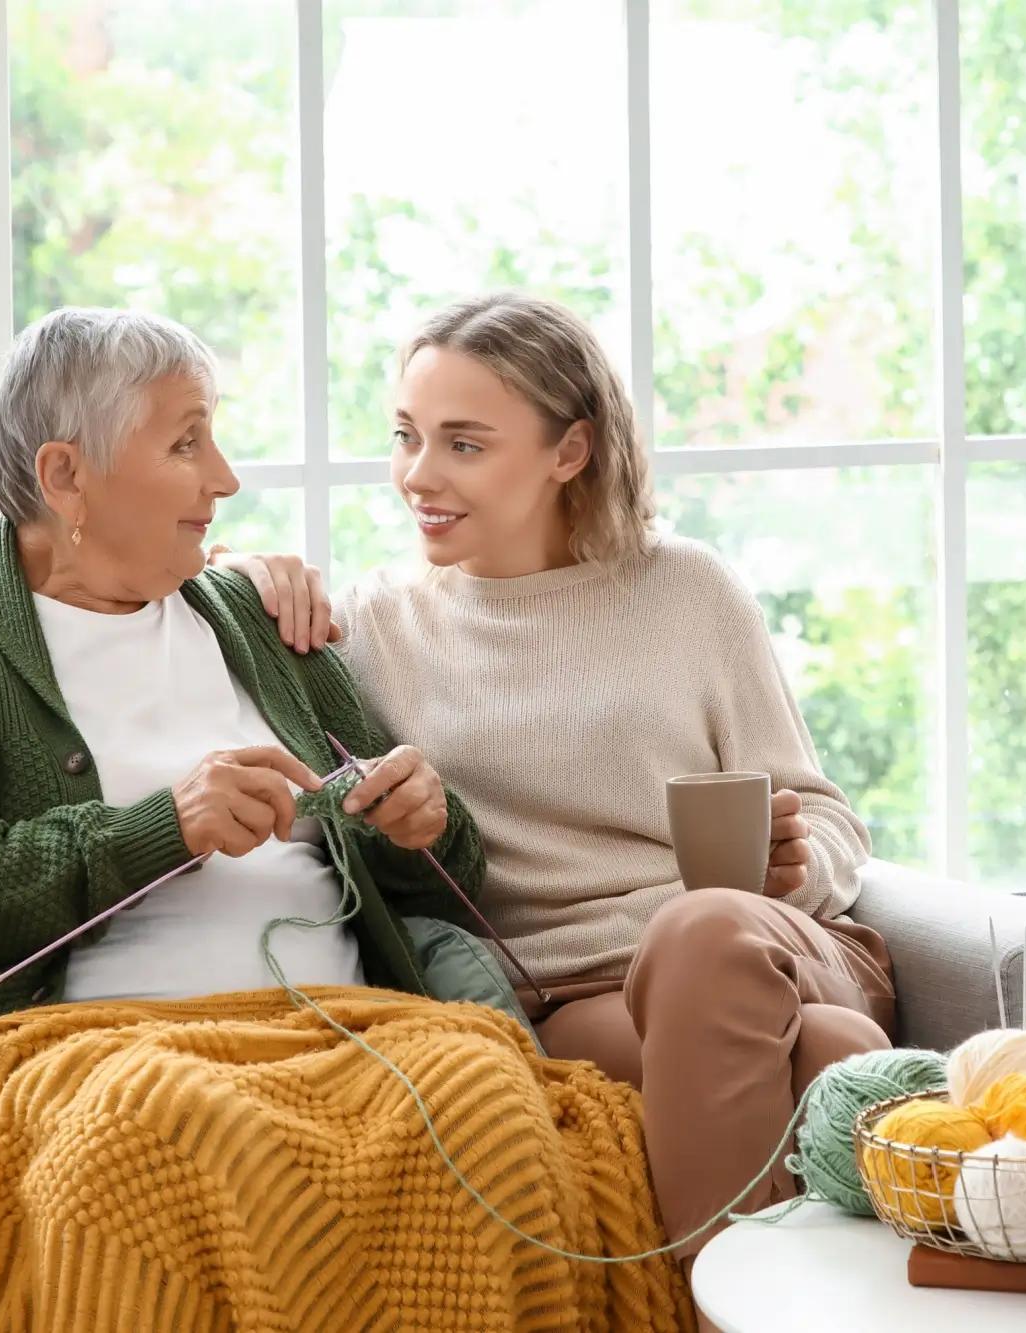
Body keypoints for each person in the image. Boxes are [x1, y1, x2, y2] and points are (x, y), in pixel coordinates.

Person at [214, 290, 896, 1258]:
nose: (417, 473)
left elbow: (827, 818)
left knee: (701, 931)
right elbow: (208, 607)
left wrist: (795, 866)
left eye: (463, 443)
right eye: (406, 436)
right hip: (577, 999)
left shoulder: (687, 591)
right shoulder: (373, 628)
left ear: (569, 451)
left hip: (770, 942)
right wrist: (244, 569)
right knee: (829, 1051)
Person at [0, 307, 488, 1153]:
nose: (225, 479)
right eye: (186, 443)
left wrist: (421, 825)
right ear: (65, 476)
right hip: (101, 1065)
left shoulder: (261, 619)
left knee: (499, 1113)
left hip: (347, 1046)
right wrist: (156, 832)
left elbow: (450, 882)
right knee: (186, 1137)